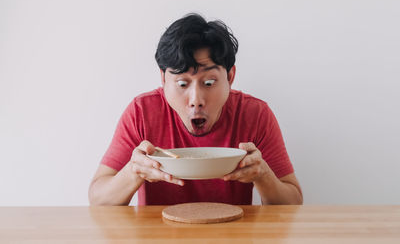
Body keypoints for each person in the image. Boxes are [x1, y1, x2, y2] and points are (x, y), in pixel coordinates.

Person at [88, 14, 303, 206]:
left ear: (230, 77)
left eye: (209, 83)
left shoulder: (255, 114)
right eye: (182, 84)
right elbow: (98, 199)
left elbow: (293, 202)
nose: (196, 100)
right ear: (163, 79)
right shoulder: (141, 112)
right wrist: (133, 172)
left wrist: (263, 175)